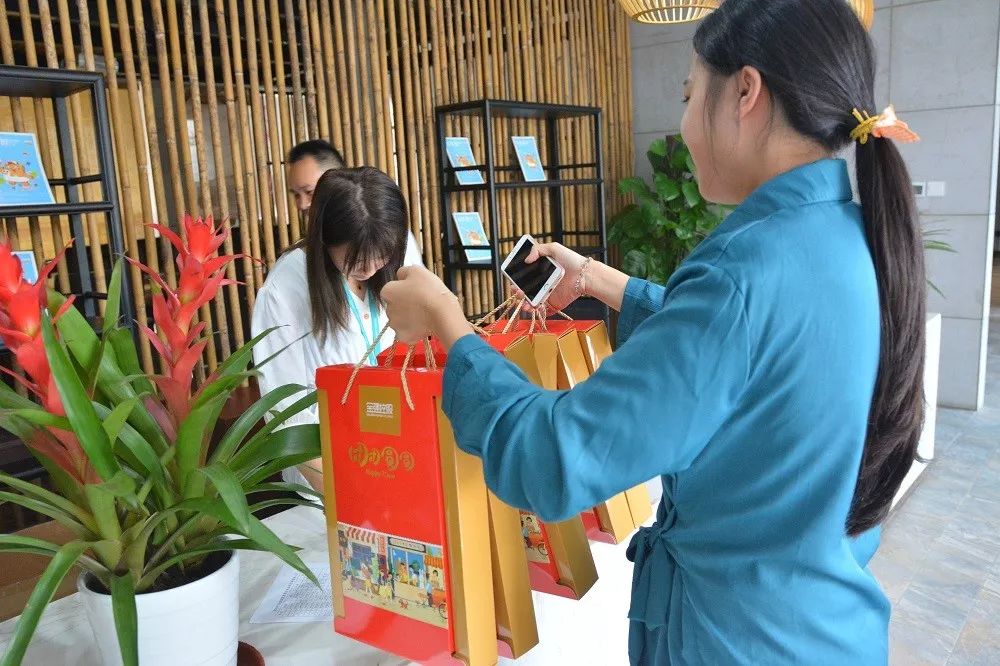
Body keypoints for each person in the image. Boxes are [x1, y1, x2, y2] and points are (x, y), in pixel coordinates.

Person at [381, 0, 925, 662]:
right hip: (824, 629)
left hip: (734, 641)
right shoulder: (849, 237)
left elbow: (554, 457)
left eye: (690, 95)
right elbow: (752, 353)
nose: (685, 125)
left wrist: (448, 323)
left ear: (746, 93)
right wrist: (599, 280)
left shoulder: (741, 273)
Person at [251, 167, 414, 491]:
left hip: (393, 459)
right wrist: (345, 497)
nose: (371, 268)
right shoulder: (285, 288)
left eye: (382, 255)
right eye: (356, 258)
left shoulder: (390, 263)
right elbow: (287, 416)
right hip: (327, 475)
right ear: (325, 238)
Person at [286, 139, 423, 266]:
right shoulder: (299, 259)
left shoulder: (390, 233)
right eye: (296, 194)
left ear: (337, 181)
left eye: (309, 192)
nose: (301, 204)